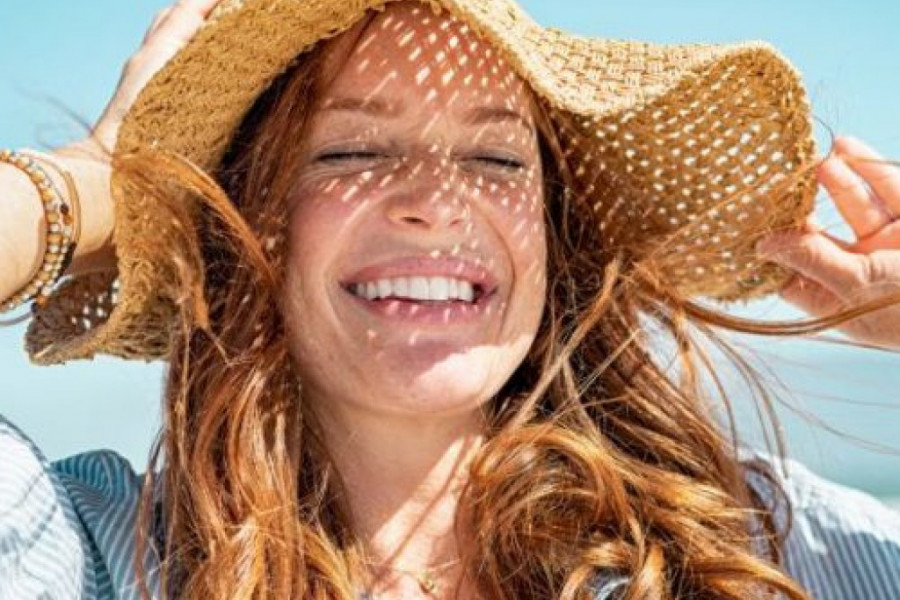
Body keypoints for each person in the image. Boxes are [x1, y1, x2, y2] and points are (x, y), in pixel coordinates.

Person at [1, 1, 899, 599]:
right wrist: (86, 180)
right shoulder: (97, 557)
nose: (436, 202)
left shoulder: (757, 543)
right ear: (250, 228)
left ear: (554, 234)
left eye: (496, 158)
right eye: (350, 151)